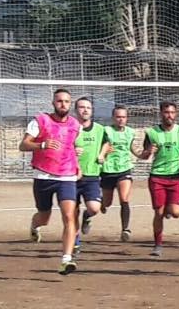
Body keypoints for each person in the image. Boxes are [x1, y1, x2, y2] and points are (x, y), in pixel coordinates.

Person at [19, 88, 82, 275]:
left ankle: (66, 259)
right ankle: (35, 225)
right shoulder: (40, 121)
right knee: (44, 217)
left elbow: (70, 146)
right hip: (43, 175)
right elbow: (23, 145)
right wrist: (42, 145)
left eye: (67, 102)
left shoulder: (75, 125)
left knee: (69, 216)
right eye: (60, 101)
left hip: (67, 175)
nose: (63, 104)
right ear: (53, 103)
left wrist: (77, 164)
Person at [139, 101, 179, 257]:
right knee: (159, 212)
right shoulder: (152, 132)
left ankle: (170, 207)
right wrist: (149, 151)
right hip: (157, 176)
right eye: (167, 112)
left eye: (172, 112)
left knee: (176, 212)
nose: (170, 115)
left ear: (176, 114)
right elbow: (145, 155)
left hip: (175, 177)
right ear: (161, 113)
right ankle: (158, 244)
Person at [72, 97, 111, 250]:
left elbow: (107, 143)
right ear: (76, 110)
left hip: (92, 176)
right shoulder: (70, 128)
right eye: (82, 107)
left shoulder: (100, 129)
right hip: (71, 176)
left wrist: (102, 154)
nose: (85, 110)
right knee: (71, 213)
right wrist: (72, 151)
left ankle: (87, 216)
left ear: (92, 110)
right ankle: (75, 243)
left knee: (94, 208)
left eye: (88, 107)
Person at [101, 105, 136, 242]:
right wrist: (103, 152)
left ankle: (125, 229)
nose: (121, 119)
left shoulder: (131, 132)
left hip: (124, 169)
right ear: (113, 118)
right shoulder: (106, 131)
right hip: (108, 170)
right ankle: (101, 204)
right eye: (118, 117)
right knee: (107, 202)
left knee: (124, 199)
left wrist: (144, 154)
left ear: (127, 118)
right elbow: (101, 147)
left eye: (123, 117)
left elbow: (133, 149)